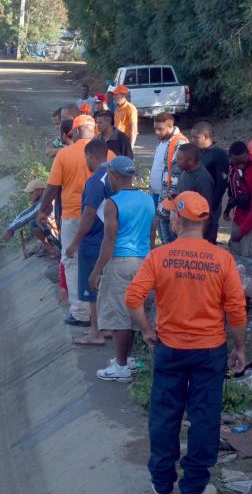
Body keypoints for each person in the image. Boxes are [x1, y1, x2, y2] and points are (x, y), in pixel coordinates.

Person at [126, 191, 246, 494]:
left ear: (178, 219)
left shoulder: (159, 256)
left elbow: (133, 299)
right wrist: (240, 347)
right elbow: (236, 310)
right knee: (205, 417)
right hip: (210, 350)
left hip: (170, 349)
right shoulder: (223, 259)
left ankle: (162, 484)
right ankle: (194, 485)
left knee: (165, 416)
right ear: (206, 222)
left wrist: (145, 330)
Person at [89, 156, 156, 382]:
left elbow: (109, 240)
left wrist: (97, 270)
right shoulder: (147, 200)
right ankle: (127, 360)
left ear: (115, 175)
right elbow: (151, 235)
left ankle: (120, 366)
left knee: (120, 316)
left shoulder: (112, 203)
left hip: (120, 261)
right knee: (135, 311)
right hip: (144, 261)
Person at [37, 115, 104, 327]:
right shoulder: (108, 153)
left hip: (74, 215)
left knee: (72, 261)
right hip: (104, 216)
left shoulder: (65, 154)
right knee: (101, 262)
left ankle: (81, 313)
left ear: (75, 132)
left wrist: (43, 209)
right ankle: (102, 312)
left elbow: (52, 187)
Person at [66, 139, 112, 346]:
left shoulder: (95, 181)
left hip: (94, 241)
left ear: (91, 156)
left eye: (86, 157)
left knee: (93, 287)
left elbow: (89, 213)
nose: (86, 160)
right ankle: (108, 326)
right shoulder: (116, 177)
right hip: (112, 240)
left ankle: (95, 333)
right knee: (108, 284)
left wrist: (75, 242)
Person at [150, 113, 188, 244]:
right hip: (157, 194)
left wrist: (170, 201)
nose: (156, 132)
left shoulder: (179, 142)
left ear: (170, 126)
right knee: (163, 236)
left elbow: (178, 175)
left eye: (160, 129)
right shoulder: (162, 142)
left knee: (170, 238)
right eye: (155, 128)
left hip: (169, 198)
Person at [191, 122, 229, 244]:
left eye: (195, 137)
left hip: (209, 205)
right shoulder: (197, 152)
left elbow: (222, 183)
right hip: (194, 204)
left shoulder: (218, 154)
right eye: (191, 137)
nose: (192, 140)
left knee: (207, 239)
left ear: (206, 137)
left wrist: (212, 206)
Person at [2, 178, 60, 258]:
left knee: (33, 223)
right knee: (35, 221)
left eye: (31, 193)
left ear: (40, 190)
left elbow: (30, 215)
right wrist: (11, 227)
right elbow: (26, 212)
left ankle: (51, 248)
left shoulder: (45, 200)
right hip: (54, 226)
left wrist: (11, 229)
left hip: (57, 229)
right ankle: (48, 244)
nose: (29, 195)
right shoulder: (41, 200)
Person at [175, 144, 214, 218]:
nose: (176, 161)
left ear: (191, 161)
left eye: (179, 158)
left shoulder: (203, 179)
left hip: (193, 225)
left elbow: (205, 212)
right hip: (182, 222)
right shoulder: (185, 171)